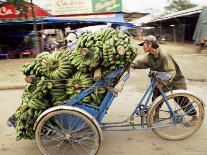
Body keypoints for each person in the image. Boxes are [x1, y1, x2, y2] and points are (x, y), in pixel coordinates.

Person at [130, 35, 198, 125]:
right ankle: (156, 115)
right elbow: (142, 63)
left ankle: (195, 117)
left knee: (180, 99)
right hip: (159, 81)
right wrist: (132, 64)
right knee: (155, 97)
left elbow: (171, 72)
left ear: (150, 45)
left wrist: (163, 82)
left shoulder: (164, 55)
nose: (143, 47)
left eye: (144, 45)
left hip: (174, 82)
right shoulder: (150, 55)